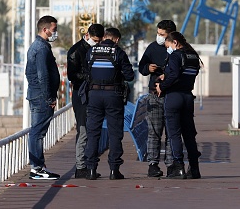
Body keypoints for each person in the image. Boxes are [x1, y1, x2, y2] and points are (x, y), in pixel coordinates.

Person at [83, 27, 135, 180]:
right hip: (113, 95)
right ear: (117, 39)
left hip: (94, 94)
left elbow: (87, 71)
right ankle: (114, 170)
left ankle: (91, 169)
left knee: (93, 132)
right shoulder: (118, 52)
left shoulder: (91, 52)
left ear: (105, 36)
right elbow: (130, 76)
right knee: (115, 133)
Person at [155, 31, 202, 179]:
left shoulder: (176, 55)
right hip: (188, 96)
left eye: (169, 45)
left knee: (174, 133)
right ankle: (194, 168)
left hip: (174, 97)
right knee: (189, 134)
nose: (169, 49)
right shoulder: (194, 57)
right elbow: (186, 74)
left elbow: (174, 75)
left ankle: (178, 166)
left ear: (175, 42)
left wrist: (162, 86)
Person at [25, 15, 61, 180]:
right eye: (54, 30)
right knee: (37, 132)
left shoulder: (38, 46)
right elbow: (42, 75)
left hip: (37, 94)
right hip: (41, 96)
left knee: (37, 131)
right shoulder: (41, 48)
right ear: (45, 29)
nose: (55, 33)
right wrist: (49, 98)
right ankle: (37, 168)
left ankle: (38, 167)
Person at [138, 19, 176, 177]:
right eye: (158, 33)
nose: (159, 37)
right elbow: (141, 67)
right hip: (155, 96)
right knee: (154, 131)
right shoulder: (152, 48)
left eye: (162, 34)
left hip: (172, 96)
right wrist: (148, 67)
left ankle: (171, 164)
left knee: (171, 132)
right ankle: (153, 164)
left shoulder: (177, 50)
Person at [66, 23, 104, 179]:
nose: (97, 43)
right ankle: (81, 166)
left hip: (95, 93)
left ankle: (90, 165)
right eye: (95, 40)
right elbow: (72, 75)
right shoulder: (76, 51)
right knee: (83, 131)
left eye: (99, 40)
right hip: (81, 94)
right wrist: (89, 77)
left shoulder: (98, 49)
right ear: (87, 35)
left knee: (93, 130)